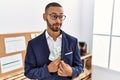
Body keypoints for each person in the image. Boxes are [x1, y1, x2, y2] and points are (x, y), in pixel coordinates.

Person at [24, 2, 83, 80]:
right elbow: (28, 72)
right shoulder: (33, 44)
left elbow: (79, 67)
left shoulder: (73, 41)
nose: (58, 21)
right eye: (54, 16)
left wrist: (71, 71)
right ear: (45, 17)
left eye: (61, 16)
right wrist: (47, 69)